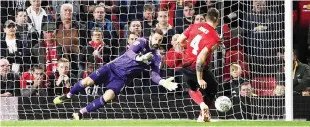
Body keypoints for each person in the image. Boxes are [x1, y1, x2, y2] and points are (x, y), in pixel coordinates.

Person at [53, 29, 178, 120]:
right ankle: (68, 96)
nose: (157, 41)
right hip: (112, 68)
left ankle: (80, 113)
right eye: (156, 38)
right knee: (87, 82)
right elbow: (129, 52)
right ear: (151, 37)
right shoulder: (141, 41)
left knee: (108, 96)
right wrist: (138, 58)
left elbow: (154, 75)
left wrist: (162, 81)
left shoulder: (156, 57)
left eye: (160, 40)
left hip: (122, 78)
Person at [176, 8, 220, 122]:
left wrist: (188, 47)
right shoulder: (215, 38)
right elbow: (200, 58)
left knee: (192, 88)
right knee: (212, 88)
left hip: (186, 65)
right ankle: (203, 112)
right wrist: (200, 78)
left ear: (206, 18)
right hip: (199, 68)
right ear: (217, 20)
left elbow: (180, 40)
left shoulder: (194, 26)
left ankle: (201, 106)